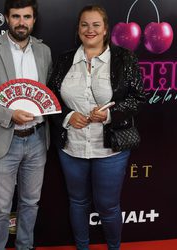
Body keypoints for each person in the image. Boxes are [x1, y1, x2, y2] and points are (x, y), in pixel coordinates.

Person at [48, 4, 146, 250]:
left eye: (95, 25)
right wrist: (69, 117)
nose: (89, 30)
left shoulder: (125, 58)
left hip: (110, 149)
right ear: (78, 29)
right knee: (78, 202)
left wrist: (110, 115)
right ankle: (82, 247)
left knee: (108, 205)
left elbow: (137, 98)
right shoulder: (63, 60)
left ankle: (114, 247)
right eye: (84, 24)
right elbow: (50, 98)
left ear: (105, 30)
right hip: (72, 147)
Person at [0, 0, 52, 249]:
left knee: (31, 202)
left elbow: (46, 94)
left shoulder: (43, 51)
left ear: (34, 20)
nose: (21, 22)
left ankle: (25, 246)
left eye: (26, 17)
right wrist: (9, 114)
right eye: (16, 16)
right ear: (6, 18)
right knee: (1, 207)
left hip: (37, 139)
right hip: (4, 139)